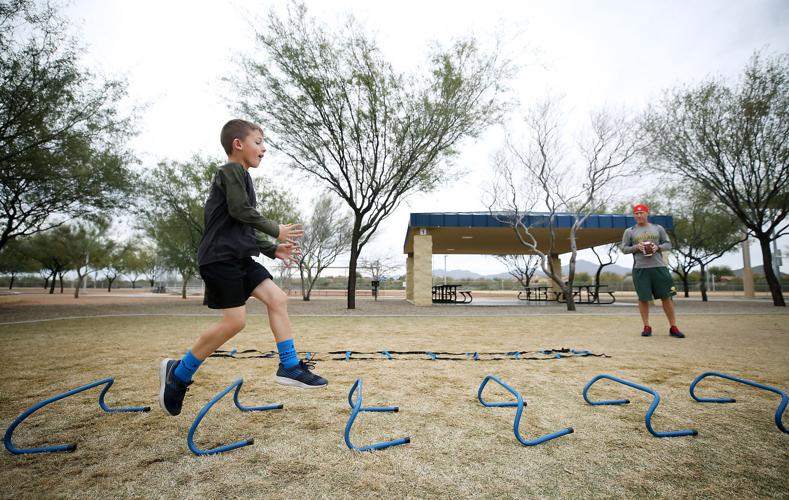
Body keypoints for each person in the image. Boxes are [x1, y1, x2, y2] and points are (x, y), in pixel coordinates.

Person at [159, 119, 328, 417]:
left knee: (278, 298)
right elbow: (241, 212)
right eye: (259, 142)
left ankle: (289, 366)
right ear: (239, 144)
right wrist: (275, 229)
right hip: (219, 258)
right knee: (235, 322)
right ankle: (179, 373)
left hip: (237, 256)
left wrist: (271, 249)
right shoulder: (230, 171)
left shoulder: (242, 178)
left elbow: (240, 227)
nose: (264, 149)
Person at [621, 203, 685, 339]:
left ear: (647, 213)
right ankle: (646, 326)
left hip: (659, 267)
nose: (639, 215)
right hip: (640, 269)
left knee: (666, 297)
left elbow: (668, 244)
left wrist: (657, 247)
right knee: (643, 298)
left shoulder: (658, 228)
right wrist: (636, 247)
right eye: (636, 213)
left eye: (641, 213)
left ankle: (673, 327)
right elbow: (624, 249)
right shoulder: (630, 231)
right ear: (634, 215)